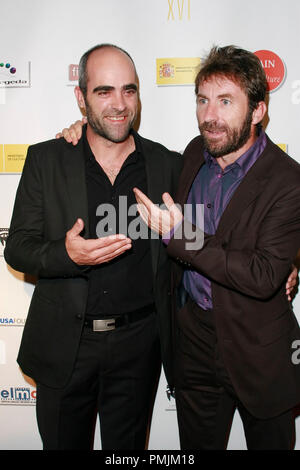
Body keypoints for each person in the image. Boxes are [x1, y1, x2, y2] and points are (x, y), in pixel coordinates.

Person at [4, 44, 182, 450]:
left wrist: (281, 264)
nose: (119, 104)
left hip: (139, 347)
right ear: (81, 97)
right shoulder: (46, 160)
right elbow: (17, 248)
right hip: (65, 346)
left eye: (129, 90)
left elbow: (198, 238)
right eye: (104, 91)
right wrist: (68, 256)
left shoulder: (167, 164)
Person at [133, 45, 300, 450]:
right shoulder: (194, 153)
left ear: (258, 110)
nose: (210, 116)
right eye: (203, 100)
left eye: (226, 101)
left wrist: (181, 236)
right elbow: (130, 151)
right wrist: (77, 130)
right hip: (195, 343)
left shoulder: (288, 181)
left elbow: (262, 276)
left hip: (257, 348)